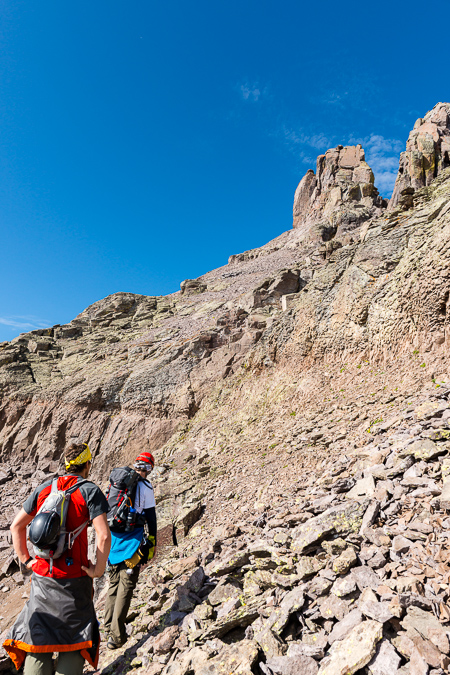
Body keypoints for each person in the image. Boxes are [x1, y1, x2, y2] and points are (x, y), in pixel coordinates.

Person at [3, 442, 111, 675]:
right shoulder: (90, 491)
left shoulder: (45, 488)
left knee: (38, 642)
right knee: (73, 643)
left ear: (66, 463)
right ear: (87, 464)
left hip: (42, 579)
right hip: (75, 582)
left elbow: (16, 526)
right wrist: (97, 570)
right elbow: (103, 535)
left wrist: (27, 560)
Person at [103, 451, 157, 650]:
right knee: (126, 588)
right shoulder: (145, 486)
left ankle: (107, 627)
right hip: (131, 544)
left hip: (113, 543)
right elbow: (151, 517)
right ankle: (116, 637)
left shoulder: (119, 484)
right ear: (149, 468)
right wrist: (152, 541)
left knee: (113, 585)